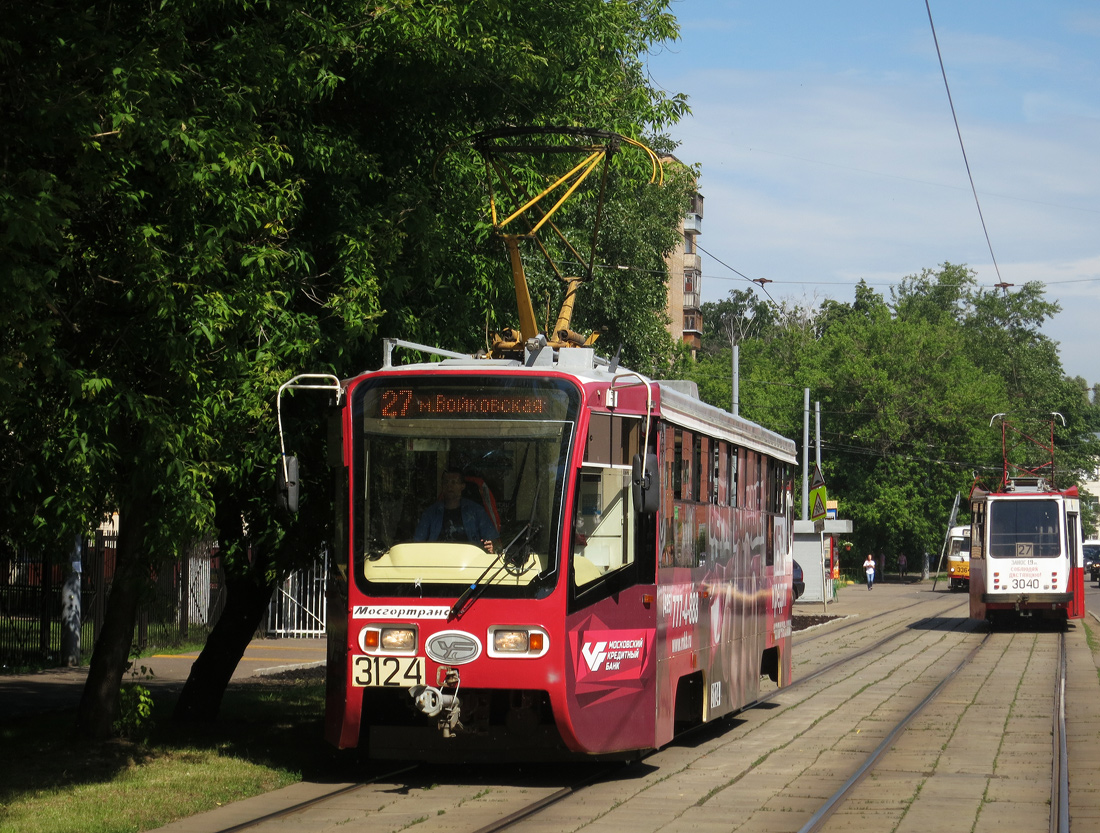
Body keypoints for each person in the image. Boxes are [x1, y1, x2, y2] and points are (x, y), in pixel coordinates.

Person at [414, 468, 500, 552]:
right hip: (437, 561)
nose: (449, 486)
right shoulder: (430, 513)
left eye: (454, 482)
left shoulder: (476, 511)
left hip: (469, 562)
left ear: (462, 486)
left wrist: (492, 547)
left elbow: (495, 543)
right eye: (446, 482)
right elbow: (416, 544)